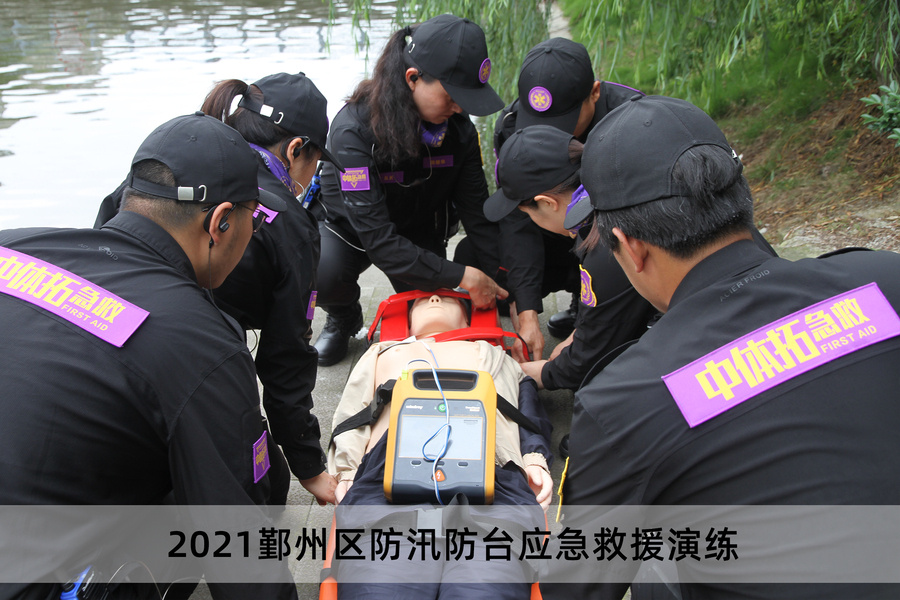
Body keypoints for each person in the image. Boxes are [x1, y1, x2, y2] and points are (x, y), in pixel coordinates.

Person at [541, 95, 900, 599]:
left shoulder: (627, 399)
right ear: (739, 196)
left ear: (632, 247)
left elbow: (577, 587)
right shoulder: (884, 280)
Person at [0, 113, 297, 599]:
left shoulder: (13, 245)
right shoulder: (199, 341)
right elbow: (240, 549)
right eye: (252, 218)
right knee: (229, 485)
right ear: (221, 222)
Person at [95, 72, 339, 505]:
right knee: (267, 481)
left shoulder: (165, 168)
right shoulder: (290, 225)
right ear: (296, 149)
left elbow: (106, 236)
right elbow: (285, 361)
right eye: (314, 163)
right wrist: (310, 465)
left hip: (106, 336)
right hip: (190, 355)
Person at [327, 292, 553, 599]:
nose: (434, 297)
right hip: (389, 473)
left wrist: (534, 457)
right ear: (408, 323)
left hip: (492, 474)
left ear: (467, 319)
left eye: (450, 299)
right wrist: (347, 469)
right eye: (421, 301)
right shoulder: (382, 352)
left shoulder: (496, 356)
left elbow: (529, 412)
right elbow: (352, 413)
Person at [314, 14, 509, 367]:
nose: (460, 108)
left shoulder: (459, 130)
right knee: (323, 273)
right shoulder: (353, 132)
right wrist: (463, 277)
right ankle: (343, 315)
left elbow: (478, 216)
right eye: (452, 96)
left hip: (416, 228)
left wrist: (515, 295)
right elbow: (379, 241)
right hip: (355, 231)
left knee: (433, 316)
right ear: (413, 78)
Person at [489, 37, 645, 361]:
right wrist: (527, 312)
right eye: (536, 124)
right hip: (554, 227)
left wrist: (587, 333)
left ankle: (595, 304)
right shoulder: (511, 126)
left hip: (620, 232)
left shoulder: (632, 121)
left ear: (595, 92)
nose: (548, 136)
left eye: (562, 121)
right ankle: (582, 299)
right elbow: (518, 216)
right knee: (490, 261)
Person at [483, 125, 659, 392]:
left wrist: (541, 373)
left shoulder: (605, 245)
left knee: (594, 397)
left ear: (547, 202)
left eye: (529, 214)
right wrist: (577, 336)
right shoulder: (611, 190)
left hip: (688, 336)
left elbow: (590, 357)